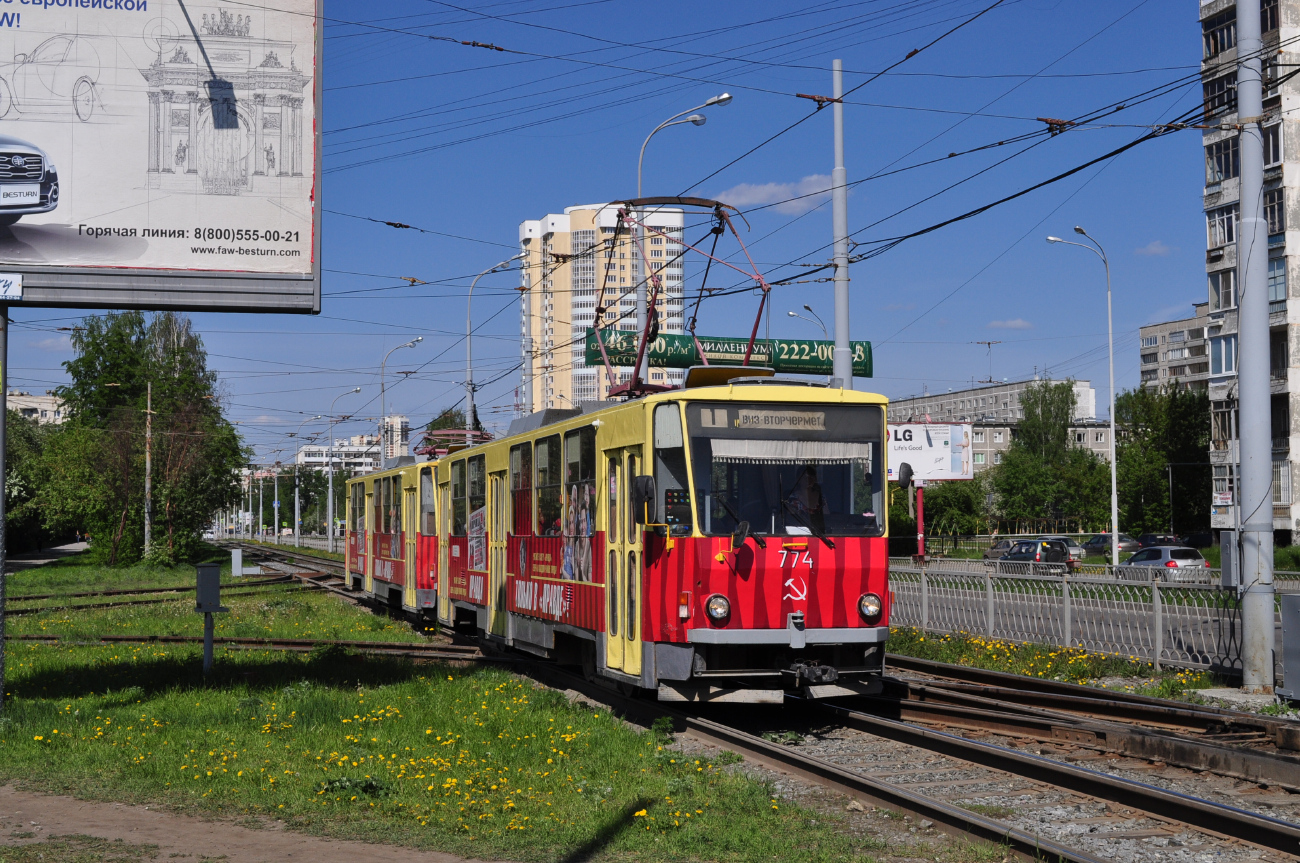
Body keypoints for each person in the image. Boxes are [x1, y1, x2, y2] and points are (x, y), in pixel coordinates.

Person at [785, 466, 827, 534]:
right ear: (798, 479)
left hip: (821, 536)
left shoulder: (821, 498)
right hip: (801, 536)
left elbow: (828, 519)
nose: (808, 480)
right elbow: (791, 522)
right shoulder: (793, 498)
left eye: (811, 477)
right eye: (805, 477)